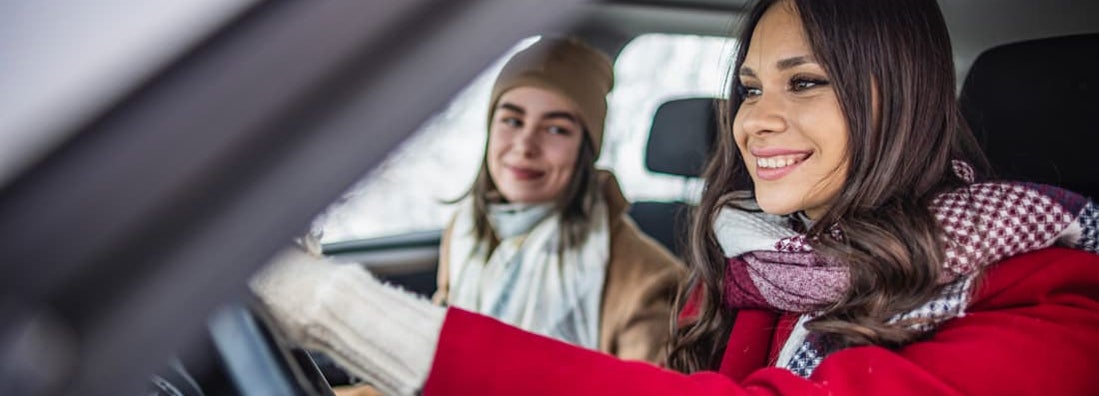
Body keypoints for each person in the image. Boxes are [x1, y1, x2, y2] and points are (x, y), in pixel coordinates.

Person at [251, 1, 1099, 395]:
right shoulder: (755, 267)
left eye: (803, 83)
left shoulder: (1059, 314)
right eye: (748, 88)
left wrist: (330, 306)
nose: (756, 121)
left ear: (899, 99)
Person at [432, 37, 684, 362]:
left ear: (585, 150)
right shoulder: (465, 232)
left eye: (555, 130)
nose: (525, 145)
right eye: (512, 120)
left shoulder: (649, 281)